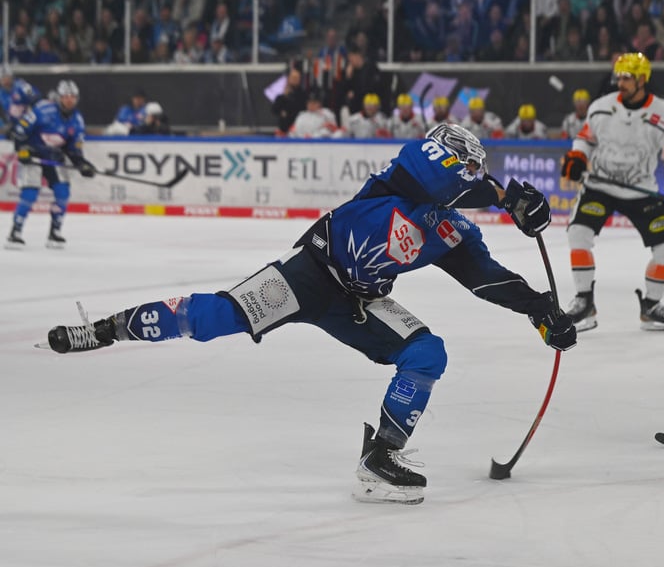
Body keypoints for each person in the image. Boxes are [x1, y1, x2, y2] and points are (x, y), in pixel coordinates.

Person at [44, 123, 576, 504]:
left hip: (359, 303)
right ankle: (105, 329)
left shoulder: (452, 231)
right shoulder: (406, 175)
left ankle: (380, 459)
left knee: (426, 353)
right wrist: (507, 195)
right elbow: (436, 171)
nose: (461, 173)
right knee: (210, 318)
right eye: (463, 168)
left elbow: (490, 280)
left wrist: (543, 311)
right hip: (307, 274)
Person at [559, 52, 664, 332]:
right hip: (600, 186)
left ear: (643, 79)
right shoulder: (601, 107)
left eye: (627, 77)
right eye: (619, 76)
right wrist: (577, 157)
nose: (621, 82)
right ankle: (584, 302)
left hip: (640, 190)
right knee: (577, 233)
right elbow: (584, 139)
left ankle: (651, 306)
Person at [6, 80, 94, 249]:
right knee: (30, 192)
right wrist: (22, 149)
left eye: (73, 97)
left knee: (63, 192)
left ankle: (55, 231)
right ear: (59, 97)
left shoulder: (77, 120)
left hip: (53, 157)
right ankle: (15, 231)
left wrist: (82, 164)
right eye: (66, 96)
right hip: (32, 155)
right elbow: (18, 131)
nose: (69, 100)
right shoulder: (43, 110)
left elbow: (73, 149)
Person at [0, 65, 41, 135]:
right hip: (13, 125)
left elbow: (37, 98)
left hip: (29, 122)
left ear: (11, 77)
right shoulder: (1, 93)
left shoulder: (21, 86)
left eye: (7, 77)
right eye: (2, 78)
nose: (5, 81)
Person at [272, 67, 308, 136]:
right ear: (288, 79)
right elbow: (274, 110)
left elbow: (302, 109)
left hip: (299, 130)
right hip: (284, 129)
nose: (295, 80)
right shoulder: (282, 95)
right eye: (293, 77)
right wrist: (284, 97)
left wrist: (286, 111)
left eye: (297, 78)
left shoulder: (303, 95)